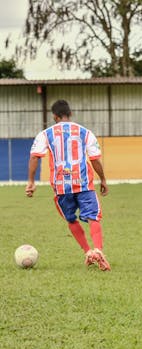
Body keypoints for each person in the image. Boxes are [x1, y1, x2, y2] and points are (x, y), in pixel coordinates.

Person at [25, 99, 111, 271]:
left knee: (71, 219)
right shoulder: (85, 132)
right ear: (70, 114)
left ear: (54, 116)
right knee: (93, 217)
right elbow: (94, 159)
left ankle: (88, 252)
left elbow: (35, 156)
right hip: (83, 183)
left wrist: (31, 182)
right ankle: (98, 250)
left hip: (61, 186)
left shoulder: (45, 134)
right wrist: (102, 179)